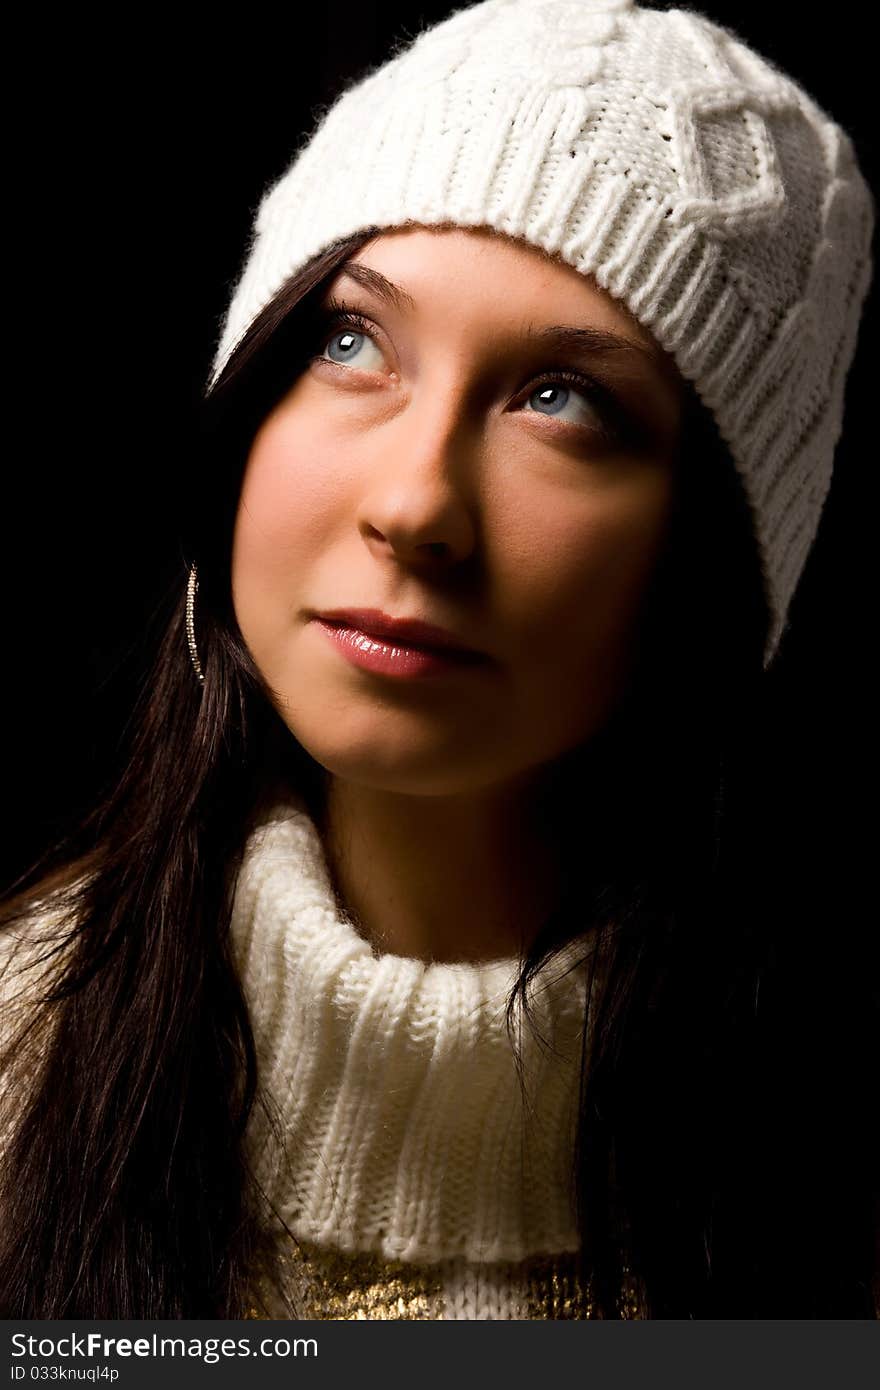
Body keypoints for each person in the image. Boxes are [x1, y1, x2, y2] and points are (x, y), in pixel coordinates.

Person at [0, 0, 876, 1319]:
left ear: (719, 555)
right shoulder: (25, 1046)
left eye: (562, 399)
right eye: (349, 340)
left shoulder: (829, 1172)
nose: (414, 505)